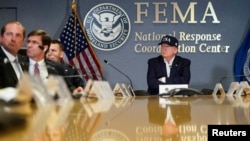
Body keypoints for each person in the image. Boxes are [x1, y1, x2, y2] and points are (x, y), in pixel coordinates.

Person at [24, 29, 80, 95]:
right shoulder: (20, 64)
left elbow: (67, 88)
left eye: (34, 42)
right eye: (28, 42)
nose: (29, 45)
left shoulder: (56, 67)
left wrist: (75, 91)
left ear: (44, 48)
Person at [0, 21, 27, 88]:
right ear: (1, 38)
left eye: (18, 35)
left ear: (23, 41)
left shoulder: (24, 60)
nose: (13, 39)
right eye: (9, 34)